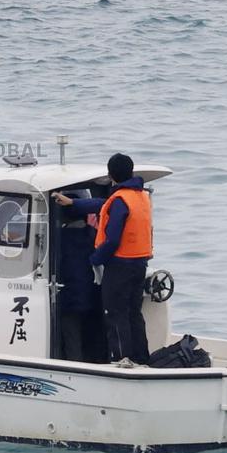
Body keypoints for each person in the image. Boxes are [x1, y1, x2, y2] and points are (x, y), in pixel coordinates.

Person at [53, 154, 152, 364]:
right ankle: (142, 358)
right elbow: (103, 204)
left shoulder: (120, 200)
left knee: (116, 314)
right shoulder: (139, 196)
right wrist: (73, 203)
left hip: (120, 265)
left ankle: (121, 361)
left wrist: (95, 259)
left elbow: (112, 239)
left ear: (111, 175)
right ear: (131, 172)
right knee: (134, 313)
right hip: (140, 263)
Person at [54, 191, 105, 363]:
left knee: (71, 338)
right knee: (93, 336)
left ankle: (73, 365)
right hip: (94, 296)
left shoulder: (58, 239)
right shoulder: (95, 235)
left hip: (69, 296)